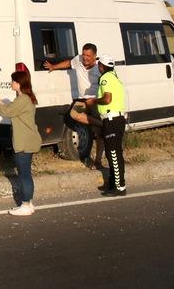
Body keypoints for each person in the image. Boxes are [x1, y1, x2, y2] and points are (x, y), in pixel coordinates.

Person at [44, 43, 104, 169]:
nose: (85, 58)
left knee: (99, 134)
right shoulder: (79, 60)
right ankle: (99, 122)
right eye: (84, 55)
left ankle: (98, 160)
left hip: (95, 100)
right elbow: (68, 63)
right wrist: (53, 67)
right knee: (73, 114)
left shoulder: (99, 68)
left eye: (88, 56)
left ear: (95, 56)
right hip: (82, 100)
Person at [0, 68, 40, 216]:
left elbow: (6, 112)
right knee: (26, 173)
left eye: (13, 81)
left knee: (23, 174)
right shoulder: (25, 98)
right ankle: (29, 203)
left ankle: (25, 205)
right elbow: (9, 109)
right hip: (29, 140)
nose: (11, 83)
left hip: (24, 142)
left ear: (19, 84)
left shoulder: (23, 99)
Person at [86, 55, 128, 196]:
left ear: (101, 67)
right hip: (117, 119)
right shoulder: (115, 77)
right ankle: (113, 183)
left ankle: (119, 187)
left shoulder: (105, 78)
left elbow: (107, 98)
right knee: (114, 153)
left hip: (112, 119)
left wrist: (94, 101)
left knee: (113, 154)